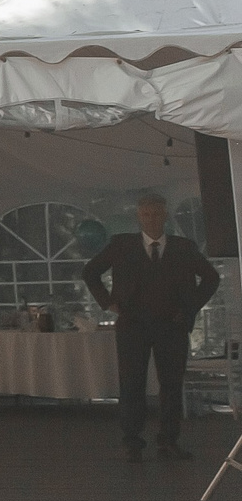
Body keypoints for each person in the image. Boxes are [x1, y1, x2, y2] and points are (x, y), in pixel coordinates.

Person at [83, 192, 221, 463]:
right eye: (146, 214)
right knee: (131, 384)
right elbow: (90, 272)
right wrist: (108, 302)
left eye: (156, 213)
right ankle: (131, 442)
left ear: (165, 215)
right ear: (138, 216)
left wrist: (189, 308)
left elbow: (211, 278)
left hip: (172, 325)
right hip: (133, 325)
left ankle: (168, 441)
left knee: (171, 385)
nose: (151, 219)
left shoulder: (183, 248)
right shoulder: (121, 246)